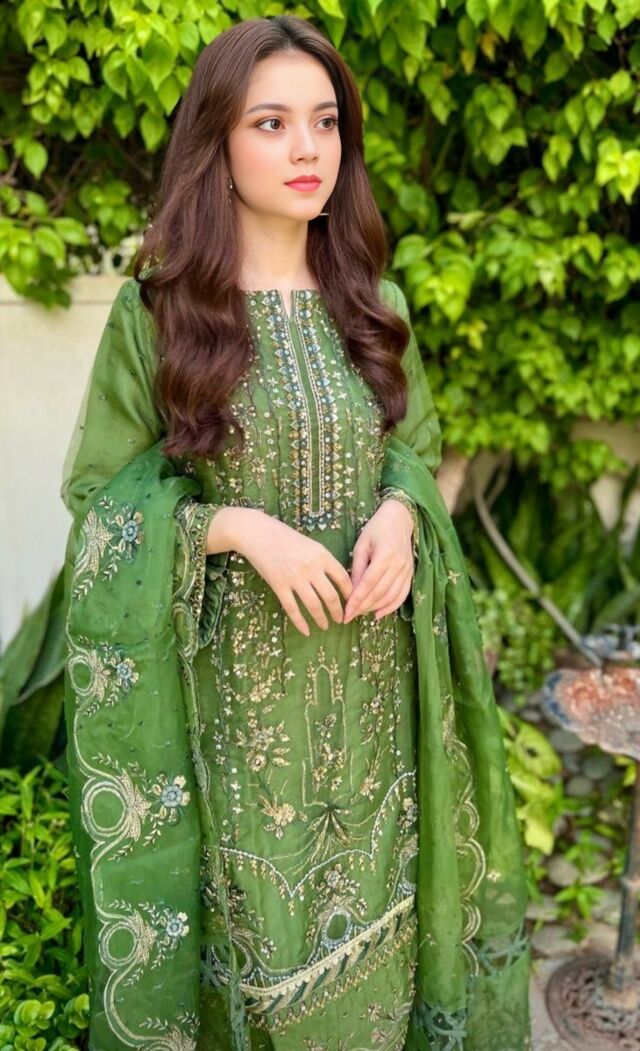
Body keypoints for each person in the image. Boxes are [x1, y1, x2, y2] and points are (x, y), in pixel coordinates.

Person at [60, 14, 532, 1051]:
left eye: (325, 121)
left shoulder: (374, 302)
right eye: (271, 123)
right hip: (233, 720)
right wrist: (231, 527)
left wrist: (403, 513)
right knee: (256, 968)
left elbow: (412, 446)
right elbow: (100, 500)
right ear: (217, 142)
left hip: (378, 710)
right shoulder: (161, 313)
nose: (307, 147)